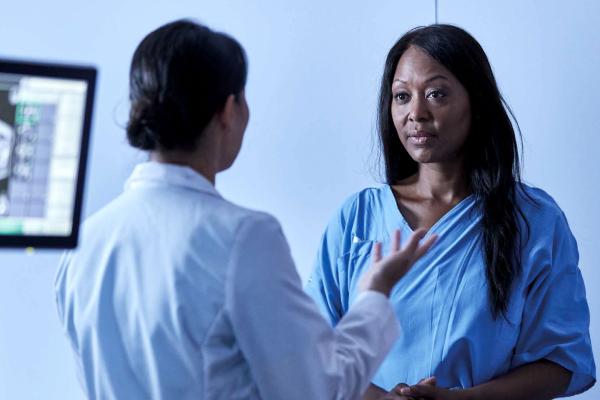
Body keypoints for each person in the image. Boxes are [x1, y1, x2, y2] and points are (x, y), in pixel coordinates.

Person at [54, 20, 438, 400]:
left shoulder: (84, 244)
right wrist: (375, 292)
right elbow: (320, 389)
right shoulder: (244, 238)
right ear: (228, 110)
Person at [306, 24, 596, 400]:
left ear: (475, 102)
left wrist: (462, 399)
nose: (416, 113)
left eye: (436, 94)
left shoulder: (534, 220)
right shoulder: (356, 219)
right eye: (401, 96)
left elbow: (561, 361)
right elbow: (311, 349)